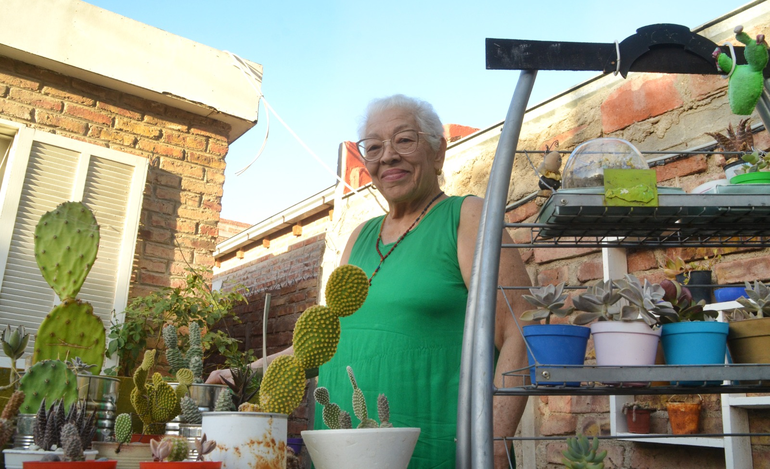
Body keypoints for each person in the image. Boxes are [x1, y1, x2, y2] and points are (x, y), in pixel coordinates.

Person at [207, 94, 533, 469]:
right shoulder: (359, 237)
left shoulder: (465, 217)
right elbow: (325, 342)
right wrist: (243, 372)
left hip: (436, 454)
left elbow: (520, 330)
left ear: (438, 152)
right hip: (338, 453)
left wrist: (491, 442)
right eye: (374, 147)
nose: (388, 156)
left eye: (404, 140)